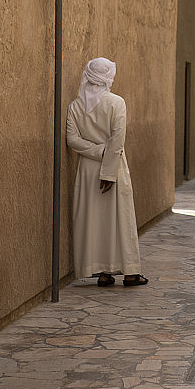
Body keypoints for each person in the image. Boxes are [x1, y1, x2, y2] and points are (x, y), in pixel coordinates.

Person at [66, 57, 148, 287]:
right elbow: (117, 140)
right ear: (108, 77)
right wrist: (108, 171)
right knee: (120, 220)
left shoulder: (75, 106)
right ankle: (130, 273)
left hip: (87, 169)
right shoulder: (116, 102)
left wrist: (95, 152)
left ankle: (103, 272)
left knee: (95, 221)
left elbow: (73, 140)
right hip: (113, 166)